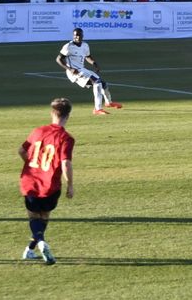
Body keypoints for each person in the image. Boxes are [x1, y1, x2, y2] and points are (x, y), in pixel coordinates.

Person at [18, 97, 75, 265]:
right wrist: (70, 185)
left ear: (52, 113)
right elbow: (65, 163)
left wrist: (31, 165)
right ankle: (31, 249)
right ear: (68, 116)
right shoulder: (66, 138)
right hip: (51, 185)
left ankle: (37, 244)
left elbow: (21, 151)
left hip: (30, 182)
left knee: (34, 218)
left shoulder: (37, 131)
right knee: (44, 217)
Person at [58, 28, 122, 115]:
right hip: (74, 72)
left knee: (103, 84)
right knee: (97, 82)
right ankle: (97, 109)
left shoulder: (85, 45)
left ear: (82, 35)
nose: (77, 37)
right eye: (75, 35)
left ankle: (109, 103)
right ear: (73, 36)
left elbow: (88, 56)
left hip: (82, 69)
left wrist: (94, 64)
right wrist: (70, 69)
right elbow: (59, 59)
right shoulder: (68, 46)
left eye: (79, 35)